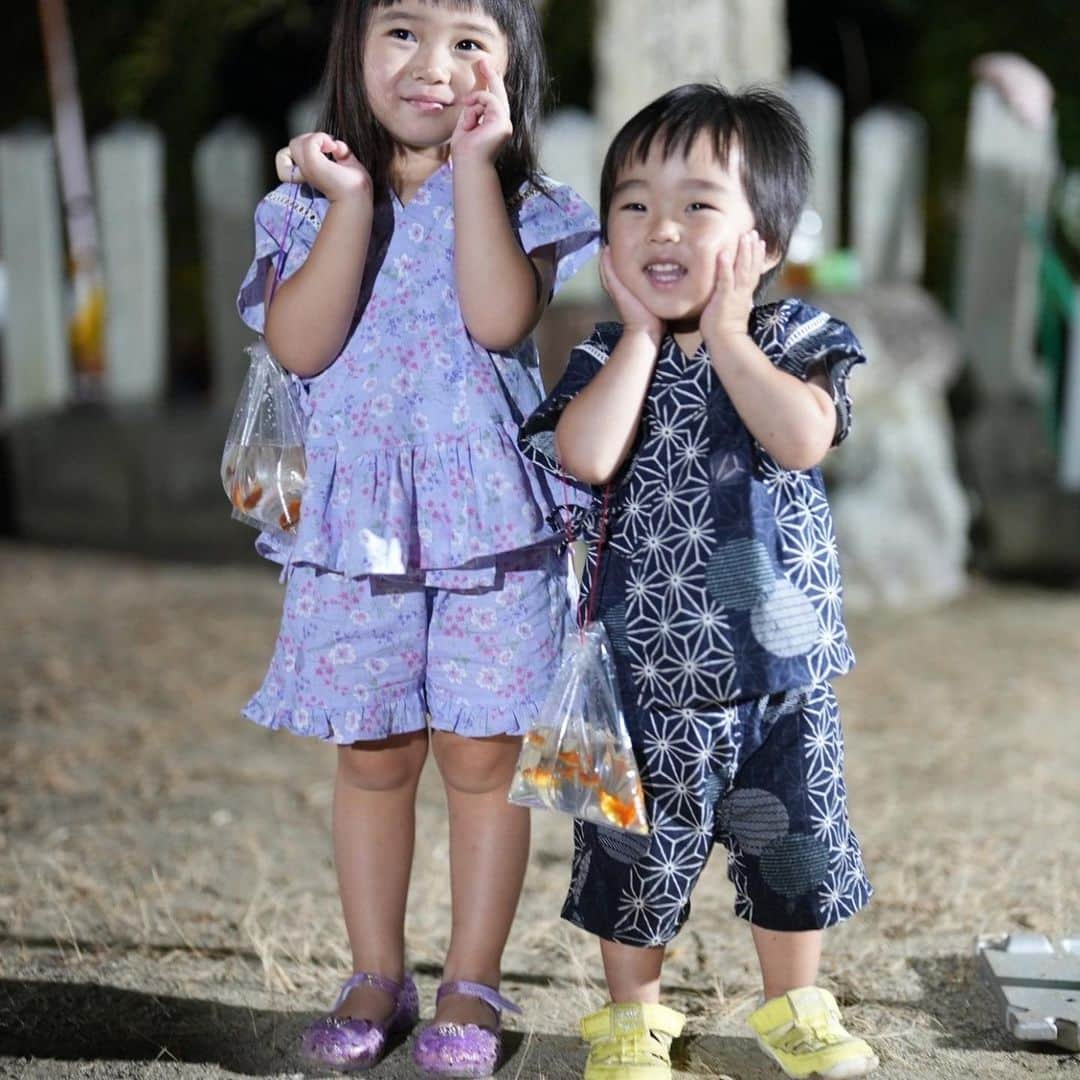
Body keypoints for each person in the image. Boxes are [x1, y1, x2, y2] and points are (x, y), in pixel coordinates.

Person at [235, 0, 598, 1073]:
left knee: (483, 758)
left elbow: (498, 319)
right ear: (355, 45)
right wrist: (345, 200)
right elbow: (300, 346)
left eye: (469, 42)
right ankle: (373, 972)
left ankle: (472, 985)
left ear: (510, 67)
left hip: (491, 526)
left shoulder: (520, 199)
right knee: (374, 751)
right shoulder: (307, 199)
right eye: (404, 32)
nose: (433, 66)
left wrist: (479, 169)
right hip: (357, 530)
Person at [519, 83, 878, 1080]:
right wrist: (636, 335)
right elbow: (585, 457)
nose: (660, 227)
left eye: (696, 205)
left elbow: (803, 437)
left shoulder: (791, 336)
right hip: (646, 671)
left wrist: (726, 333)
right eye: (633, 205)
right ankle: (633, 1015)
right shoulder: (605, 352)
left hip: (780, 667)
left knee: (793, 838)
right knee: (637, 854)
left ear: (762, 240)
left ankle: (796, 1001)